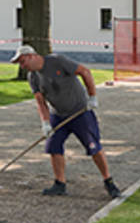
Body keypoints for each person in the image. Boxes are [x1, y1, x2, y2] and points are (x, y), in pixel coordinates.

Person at [10, 44, 121, 198]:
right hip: (58, 115)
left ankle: (109, 181)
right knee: (53, 146)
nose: (22, 66)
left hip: (80, 112)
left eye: (22, 62)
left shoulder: (57, 61)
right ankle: (59, 184)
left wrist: (92, 96)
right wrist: (46, 123)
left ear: (31, 56)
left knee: (93, 147)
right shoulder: (33, 77)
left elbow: (85, 72)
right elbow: (40, 101)